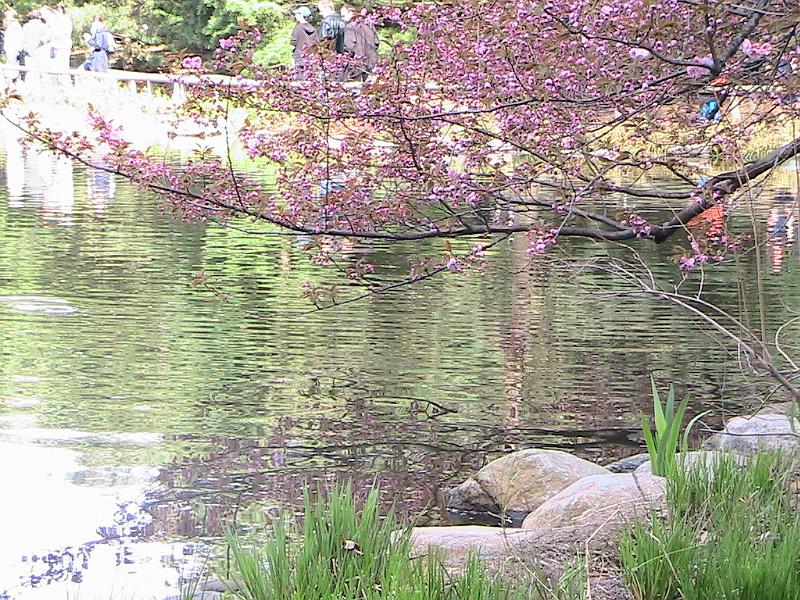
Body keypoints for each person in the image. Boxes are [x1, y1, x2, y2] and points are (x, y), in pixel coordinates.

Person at [340, 4, 379, 81]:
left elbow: (349, 46)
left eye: (343, 16)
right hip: (370, 62)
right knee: (369, 89)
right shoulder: (369, 25)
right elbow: (377, 42)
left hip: (356, 64)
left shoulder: (349, 27)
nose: (342, 19)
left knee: (354, 88)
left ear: (351, 13)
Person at [290, 6, 315, 78]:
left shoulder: (297, 28)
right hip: (309, 58)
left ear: (301, 15)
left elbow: (292, 45)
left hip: (298, 58)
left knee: (298, 81)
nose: (295, 16)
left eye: (297, 14)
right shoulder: (313, 29)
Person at [3, 9, 23, 75]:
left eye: (7, 16)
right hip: (11, 50)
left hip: (13, 50)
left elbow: (16, 39)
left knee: (11, 67)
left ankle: (11, 79)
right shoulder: (13, 25)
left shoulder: (15, 26)